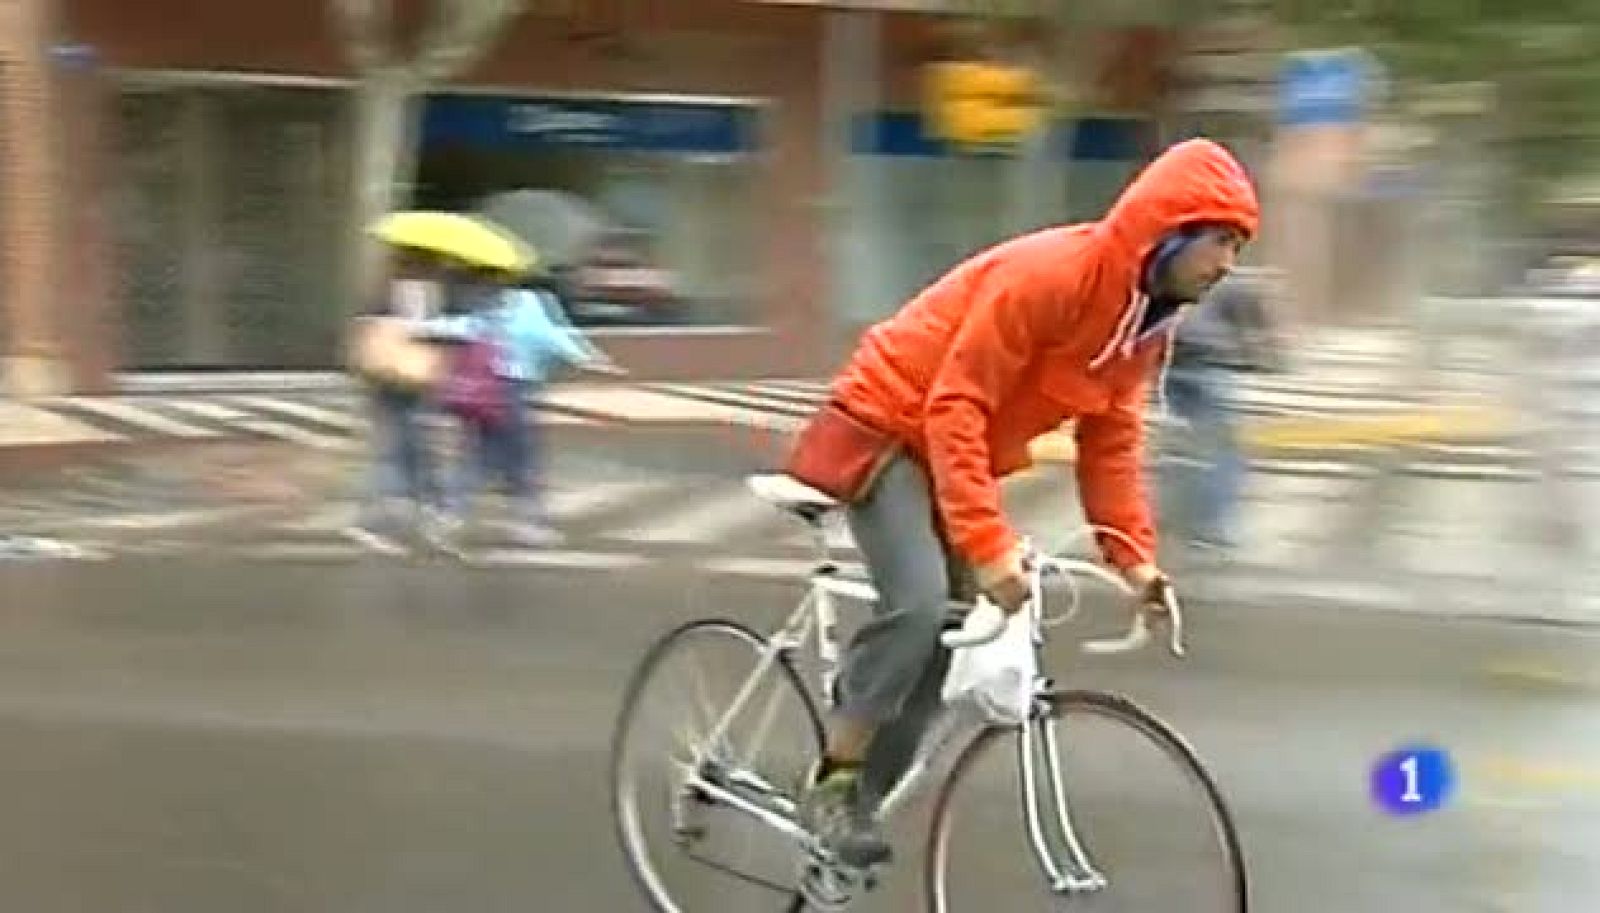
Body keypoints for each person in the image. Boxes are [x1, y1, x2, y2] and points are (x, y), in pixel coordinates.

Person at [781, 138, 1259, 867]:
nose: (1228, 263)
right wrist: (989, 543)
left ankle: (850, 820)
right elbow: (956, 404)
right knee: (916, 605)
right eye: (1220, 240)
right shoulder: (1051, 278)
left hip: (945, 443)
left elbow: (1112, 439)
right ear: (1169, 229)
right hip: (886, 423)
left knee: (948, 642)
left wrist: (1134, 561)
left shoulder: (1147, 326)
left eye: (1239, 246)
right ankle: (832, 780)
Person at [422, 265, 618, 551]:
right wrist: (590, 359)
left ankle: (448, 516)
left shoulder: (482, 305)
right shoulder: (527, 303)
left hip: (484, 392)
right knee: (522, 458)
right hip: (515, 390)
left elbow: (461, 328)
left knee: (477, 458)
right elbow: (550, 337)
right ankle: (527, 524)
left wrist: (423, 327)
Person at [1163, 267, 1278, 551]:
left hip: (1169, 363)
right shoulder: (1229, 278)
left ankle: (1168, 515)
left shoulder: (1163, 271)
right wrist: (1266, 357)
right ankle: (1211, 529)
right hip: (1209, 364)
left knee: (1174, 443)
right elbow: (1257, 324)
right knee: (1224, 451)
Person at [344, 247, 448, 555]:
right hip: (409, 377)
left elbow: (365, 333)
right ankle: (376, 519)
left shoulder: (380, 290)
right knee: (408, 443)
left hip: (383, 376)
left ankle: (419, 507)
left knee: (402, 443)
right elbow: (426, 333)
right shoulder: (421, 293)